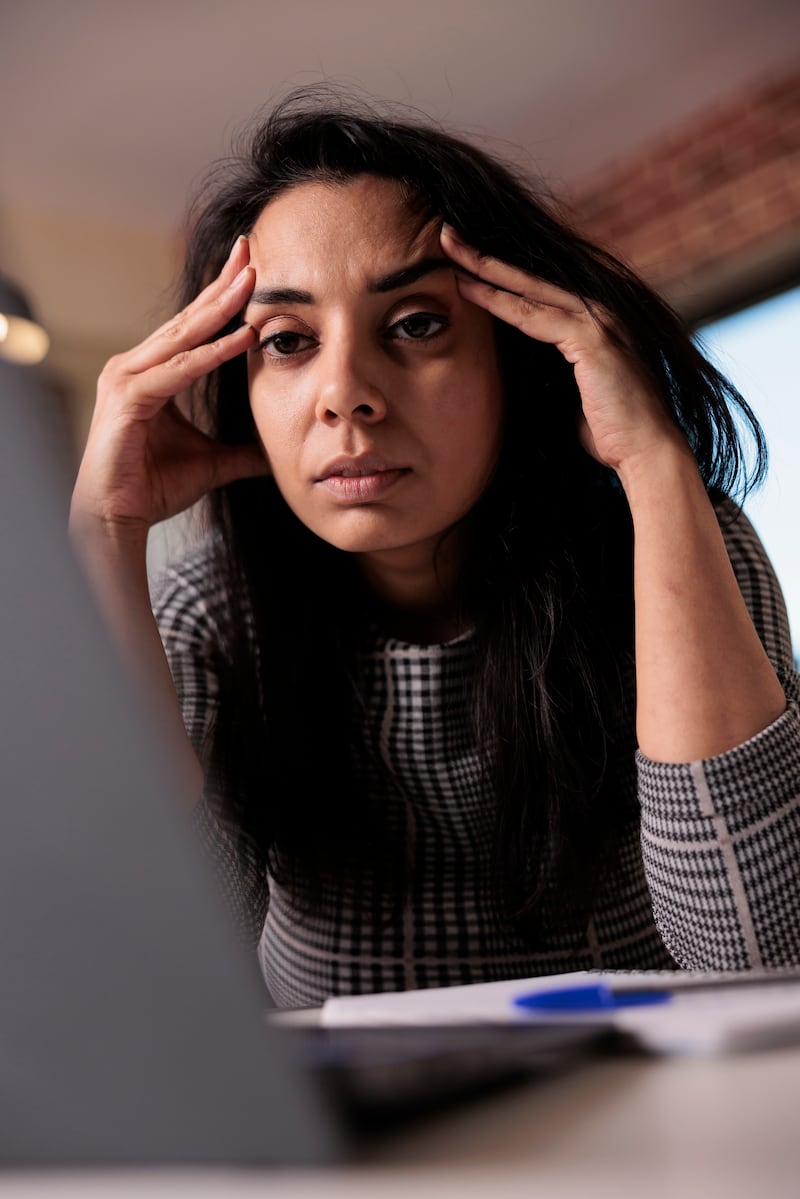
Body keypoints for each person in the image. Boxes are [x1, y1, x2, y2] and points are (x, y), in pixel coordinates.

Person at [70, 92, 800, 1007]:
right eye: (289, 340)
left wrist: (653, 461)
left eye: (415, 323)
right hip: (373, 1146)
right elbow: (155, 976)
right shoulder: (214, 614)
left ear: (517, 355)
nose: (345, 395)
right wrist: (102, 536)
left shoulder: (679, 548)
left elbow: (761, 955)